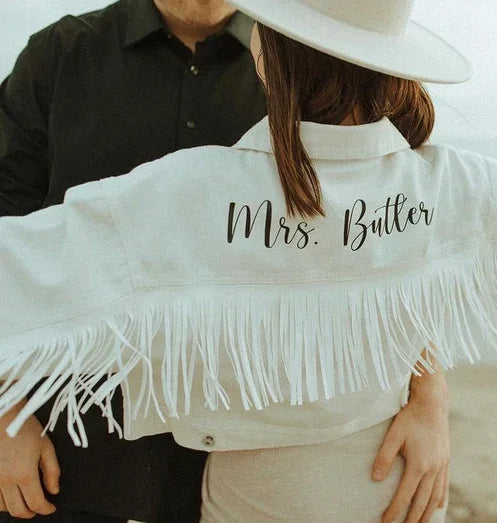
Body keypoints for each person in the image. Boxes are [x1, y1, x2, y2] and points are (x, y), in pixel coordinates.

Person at [0, 0, 497, 522]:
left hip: (261, 491)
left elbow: (22, 264)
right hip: (395, 487)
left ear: (272, 63)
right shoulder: (449, 184)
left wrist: (434, 392)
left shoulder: (192, 192)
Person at [0, 0, 451, 521]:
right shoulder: (59, 55)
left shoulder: (302, 58)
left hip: (239, 462)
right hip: (61, 446)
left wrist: (430, 394)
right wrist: (6, 413)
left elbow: (387, 236)